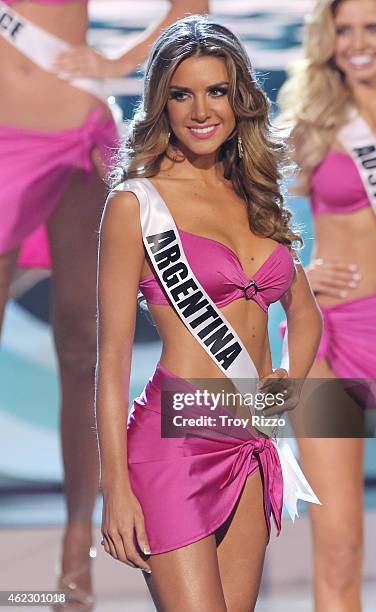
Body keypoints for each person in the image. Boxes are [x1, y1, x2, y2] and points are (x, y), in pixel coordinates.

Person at [96, 15, 322, 611]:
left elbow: (305, 313)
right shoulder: (136, 205)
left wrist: (285, 389)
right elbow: (113, 356)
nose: (201, 110)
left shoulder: (254, 195)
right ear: (161, 103)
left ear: (239, 98)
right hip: (173, 444)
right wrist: (114, 487)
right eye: (182, 93)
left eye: (216, 91)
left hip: (248, 443)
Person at [0, 0, 208, 608]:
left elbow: (190, 8)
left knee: (81, 344)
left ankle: (74, 552)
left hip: (73, 132)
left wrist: (115, 61)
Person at [278, 0, 376, 610]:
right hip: (326, 339)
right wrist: (295, 273)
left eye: (373, 27)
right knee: (337, 547)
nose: (358, 42)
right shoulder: (312, 118)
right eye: (344, 28)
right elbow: (243, 219)